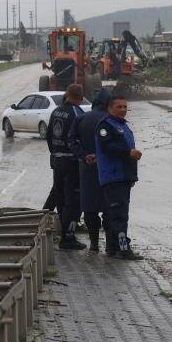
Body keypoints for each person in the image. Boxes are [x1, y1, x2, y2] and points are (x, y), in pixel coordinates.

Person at [95, 95, 143, 260]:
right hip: (113, 177)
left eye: (125, 107)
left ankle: (112, 247)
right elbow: (107, 147)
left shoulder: (123, 126)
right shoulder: (105, 126)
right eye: (119, 107)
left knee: (114, 214)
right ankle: (124, 249)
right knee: (119, 215)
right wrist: (128, 153)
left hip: (124, 177)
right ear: (110, 108)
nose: (123, 109)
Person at [69, 88, 112, 253]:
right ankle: (109, 244)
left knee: (90, 207)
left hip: (87, 170)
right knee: (109, 207)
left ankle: (94, 244)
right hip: (109, 172)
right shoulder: (112, 120)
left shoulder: (81, 118)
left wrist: (84, 155)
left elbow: (71, 140)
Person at [46, 84, 86, 249]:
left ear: (67, 95)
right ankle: (68, 237)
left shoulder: (56, 111)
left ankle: (61, 231)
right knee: (73, 200)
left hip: (57, 160)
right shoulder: (77, 113)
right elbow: (81, 139)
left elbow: (49, 136)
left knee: (60, 197)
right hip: (71, 162)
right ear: (81, 97)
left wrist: (54, 153)